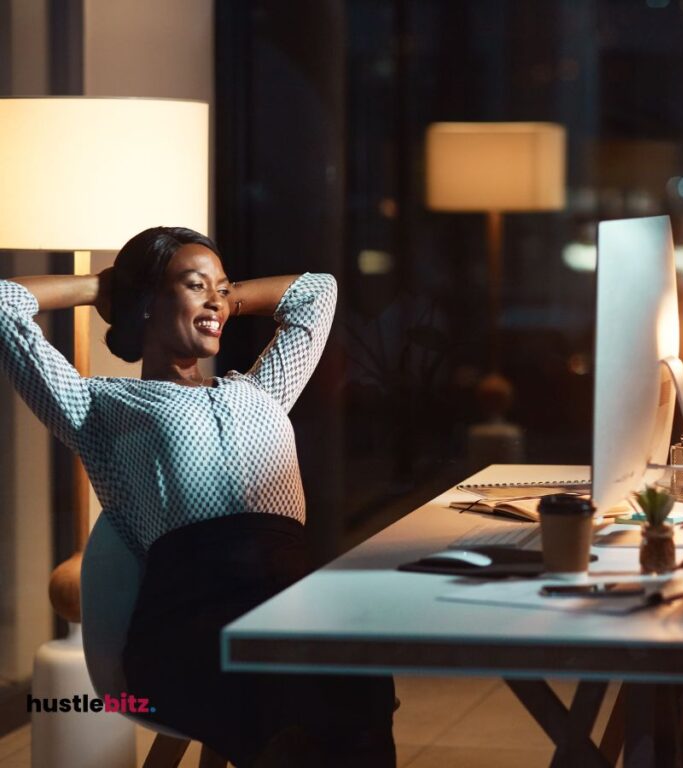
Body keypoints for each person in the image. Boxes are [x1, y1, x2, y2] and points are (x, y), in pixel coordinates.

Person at [0, 227, 396, 767]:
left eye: (224, 287)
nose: (218, 300)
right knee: (295, 689)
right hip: (188, 625)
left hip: (285, 605)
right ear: (145, 303)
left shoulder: (262, 390)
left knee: (357, 669)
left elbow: (316, 293)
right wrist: (101, 287)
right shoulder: (100, 408)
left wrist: (219, 297)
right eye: (194, 285)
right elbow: (5, 305)